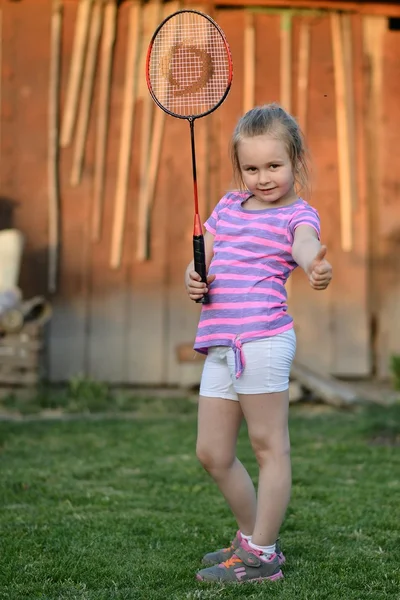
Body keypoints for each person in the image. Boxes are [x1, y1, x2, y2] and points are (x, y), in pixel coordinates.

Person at [184, 103, 333, 584]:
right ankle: (251, 539)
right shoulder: (228, 206)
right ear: (239, 168)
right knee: (212, 452)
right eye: (252, 168)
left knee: (270, 449)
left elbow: (305, 242)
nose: (263, 177)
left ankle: (262, 556)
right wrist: (192, 276)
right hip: (222, 342)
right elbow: (203, 259)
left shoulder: (297, 214)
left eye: (274, 165)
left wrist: (314, 264)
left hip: (264, 340)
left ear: (295, 161)